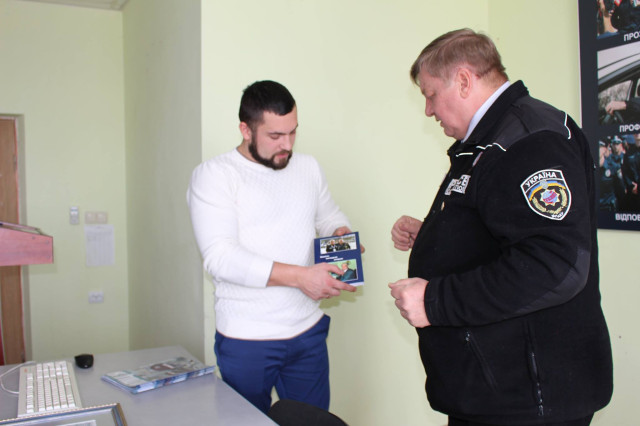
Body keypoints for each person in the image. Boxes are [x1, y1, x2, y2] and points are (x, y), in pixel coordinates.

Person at [389, 29, 613, 426]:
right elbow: (506, 232)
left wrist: (435, 301)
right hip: (497, 389)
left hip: (529, 396)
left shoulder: (530, 140)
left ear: (463, 80)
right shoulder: (490, 138)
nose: (428, 110)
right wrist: (436, 237)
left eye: (430, 94)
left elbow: (555, 265)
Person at [187, 80, 358, 414]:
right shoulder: (214, 176)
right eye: (275, 136)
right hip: (247, 339)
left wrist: (339, 233)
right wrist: (301, 277)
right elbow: (221, 257)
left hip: (307, 331)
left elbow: (328, 216)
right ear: (245, 130)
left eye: (293, 132)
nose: (287, 145)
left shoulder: (308, 167)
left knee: (313, 423)